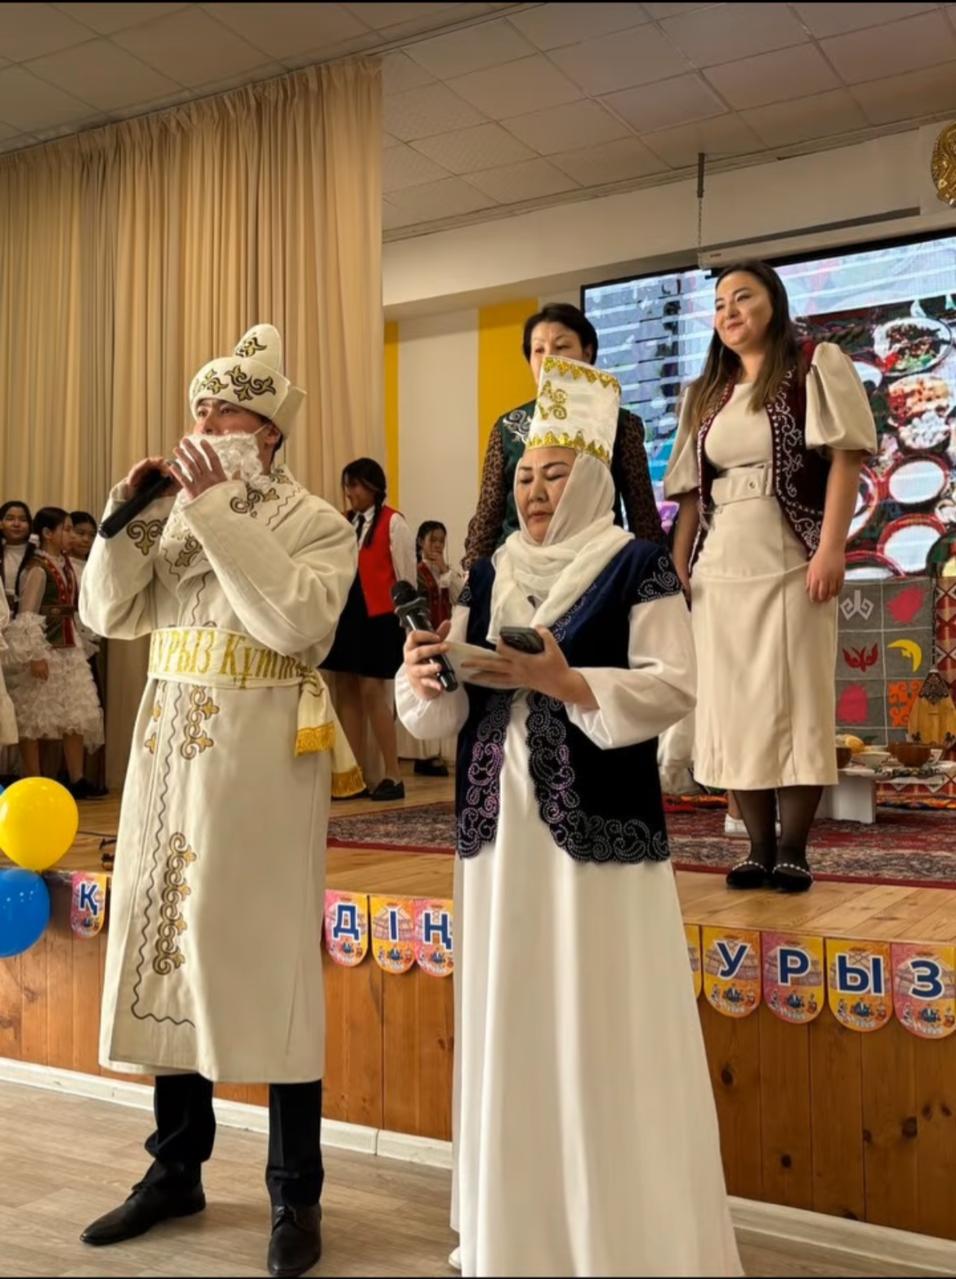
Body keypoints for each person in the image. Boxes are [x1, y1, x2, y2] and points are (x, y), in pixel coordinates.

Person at [398, 354, 741, 1278]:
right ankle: (520, 1238)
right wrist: (425, 675)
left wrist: (568, 681)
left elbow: (675, 684)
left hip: (598, 840)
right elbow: (440, 713)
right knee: (510, 1016)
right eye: (524, 477)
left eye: (555, 474)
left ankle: (616, 1242)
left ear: (591, 476)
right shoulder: (487, 571)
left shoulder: (636, 564)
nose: (536, 492)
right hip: (495, 836)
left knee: (599, 1021)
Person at [78, 325, 361, 1279]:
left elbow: (296, 622)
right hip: (167, 752)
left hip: (262, 760)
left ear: (269, 431)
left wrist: (212, 510)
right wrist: (128, 513)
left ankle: (295, 1192)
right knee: (166, 945)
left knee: (269, 963)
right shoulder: (169, 512)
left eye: (226, 412)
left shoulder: (316, 521)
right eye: (199, 409)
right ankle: (175, 1168)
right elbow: (106, 613)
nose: (205, 424)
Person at [664, 261, 876, 893]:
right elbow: (690, 494)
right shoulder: (705, 392)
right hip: (721, 562)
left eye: (743, 297)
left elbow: (847, 458)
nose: (729, 312)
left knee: (796, 700)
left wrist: (831, 548)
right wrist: (679, 568)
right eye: (720, 303)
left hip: (790, 555)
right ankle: (756, 848)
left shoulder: (813, 366)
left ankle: (792, 849)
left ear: (774, 303)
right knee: (733, 706)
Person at [462, 302, 663, 568]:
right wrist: (473, 577)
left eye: (562, 346)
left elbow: (643, 517)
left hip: (597, 568)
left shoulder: (621, 425)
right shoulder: (508, 427)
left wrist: (655, 573)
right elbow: (487, 519)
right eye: (538, 350)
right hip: (517, 571)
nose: (549, 359)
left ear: (587, 353)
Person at [322, 458, 416, 801]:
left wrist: (408, 624)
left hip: (379, 617)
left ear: (373, 486)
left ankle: (393, 774)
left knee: (374, 692)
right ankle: (354, 775)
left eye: (355, 485)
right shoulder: (345, 521)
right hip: (349, 613)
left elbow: (406, 577)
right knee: (346, 689)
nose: (349, 492)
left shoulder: (394, 522)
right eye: (347, 485)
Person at [3, 507, 103, 798]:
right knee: (34, 715)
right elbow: (27, 614)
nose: (71, 535)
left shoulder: (67, 566)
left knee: (75, 713)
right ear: (48, 533)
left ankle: (77, 778)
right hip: (45, 650)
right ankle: (32, 778)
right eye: (67, 529)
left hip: (69, 650)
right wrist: (35, 655)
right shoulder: (37, 568)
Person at [412, 520, 463, 779]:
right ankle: (425, 755)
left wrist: (444, 569)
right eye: (433, 540)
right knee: (426, 692)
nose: (438, 545)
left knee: (444, 691)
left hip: (444, 636)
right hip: (423, 637)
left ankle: (443, 753)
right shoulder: (415, 571)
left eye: (442, 541)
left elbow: (461, 596)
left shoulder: (447, 572)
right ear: (421, 541)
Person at [0, 500, 34, 613]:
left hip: (29, 616)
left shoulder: (38, 553)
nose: (16, 524)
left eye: (23, 520)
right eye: (10, 519)